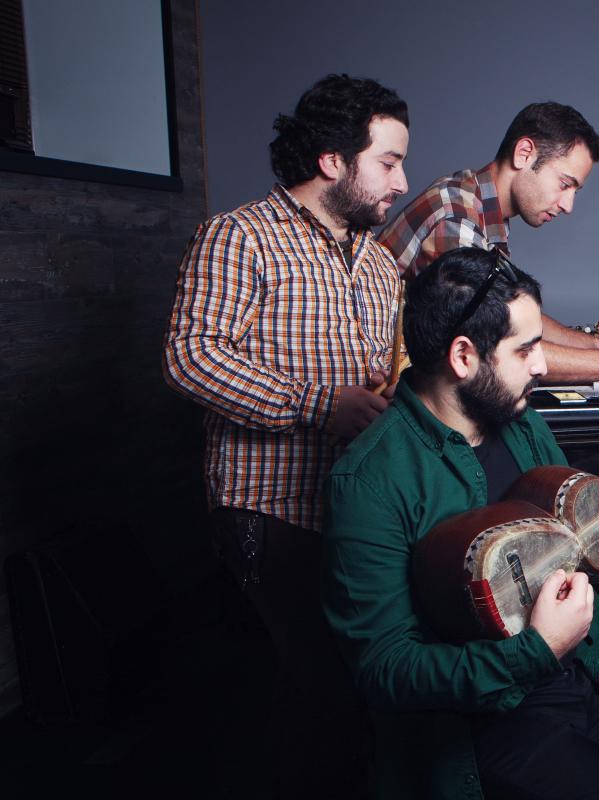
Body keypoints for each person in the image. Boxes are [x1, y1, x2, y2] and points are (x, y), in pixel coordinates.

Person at [321, 246, 599, 799]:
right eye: (526, 349)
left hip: (593, 670)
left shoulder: (523, 423)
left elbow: (592, 533)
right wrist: (535, 650)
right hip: (492, 727)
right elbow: (386, 669)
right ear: (464, 356)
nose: (541, 364)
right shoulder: (368, 481)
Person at [162, 74, 410, 796]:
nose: (401, 180)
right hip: (271, 515)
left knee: (354, 696)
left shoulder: (381, 261)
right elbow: (189, 356)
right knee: (310, 700)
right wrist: (314, 404)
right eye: (388, 161)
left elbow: (380, 369)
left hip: (357, 514)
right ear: (333, 160)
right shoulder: (237, 236)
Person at [379, 101, 599, 398]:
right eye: (564, 184)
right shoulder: (458, 217)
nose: (568, 205)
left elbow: (505, 315)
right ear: (524, 154)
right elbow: (496, 348)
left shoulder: (481, 207)